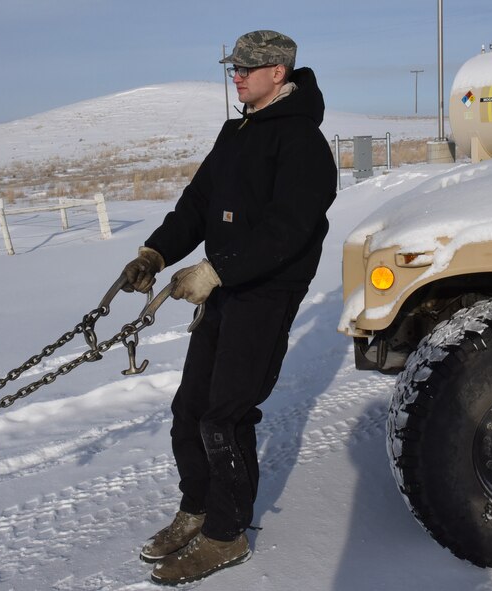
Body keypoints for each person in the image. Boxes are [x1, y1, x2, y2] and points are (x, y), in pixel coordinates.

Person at [120, 29, 337, 586]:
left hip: (264, 295)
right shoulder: (237, 131)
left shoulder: (304, 145)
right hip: (225, 291)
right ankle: (195, 510)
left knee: (225, 417)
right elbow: (198, 204)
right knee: (189, 410)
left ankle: (226, 533)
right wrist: (155, 251)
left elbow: (287, 231)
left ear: (277, 74)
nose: (235, 76)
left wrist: (217, 270)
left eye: (245, 68)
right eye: (232, 68)